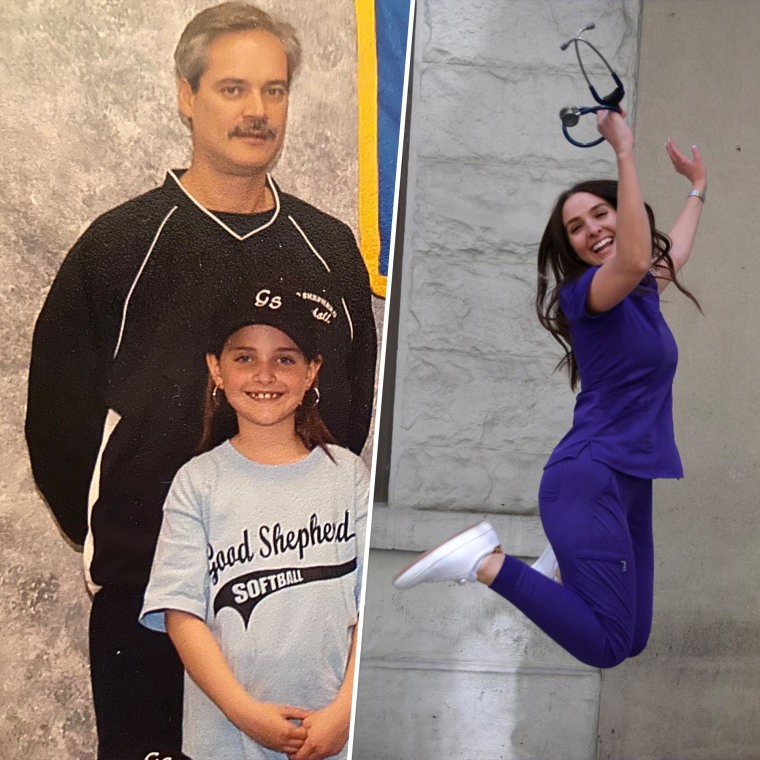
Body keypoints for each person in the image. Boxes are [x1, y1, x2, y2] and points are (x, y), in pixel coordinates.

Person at [24, 3, 376, 757]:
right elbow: (57, 424)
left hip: (299, 612)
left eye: (274, 91)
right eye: (233, 89)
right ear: (187, 96)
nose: (257, 111)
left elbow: (352, 411)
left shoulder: (330, 250)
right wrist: (119, 553)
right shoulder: (119, 247)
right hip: (149, 610)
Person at [393, 109, 706, 670]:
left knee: (631, 637)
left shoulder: (639, 292)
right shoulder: (586, 295)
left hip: (629, 481)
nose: (593, 230)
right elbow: (636, 253)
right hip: (589, 476)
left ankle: (545, 567)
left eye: (601, 214)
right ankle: (487, 563)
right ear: (572, 249)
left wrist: (698, 189)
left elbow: (668, 254)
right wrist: (624, 150)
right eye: (578, 228)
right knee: (607, 646)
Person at [140, 279, 367, 760]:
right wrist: (245, 713)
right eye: (244, 357)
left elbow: (374, 610)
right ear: (215, 370)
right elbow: (180, 613)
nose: (265, 374)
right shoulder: (196, 482)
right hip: (226, 737)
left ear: (311, 372)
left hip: (332, 733)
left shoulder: (347, 475)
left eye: (285, 358)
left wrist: (345, 712)